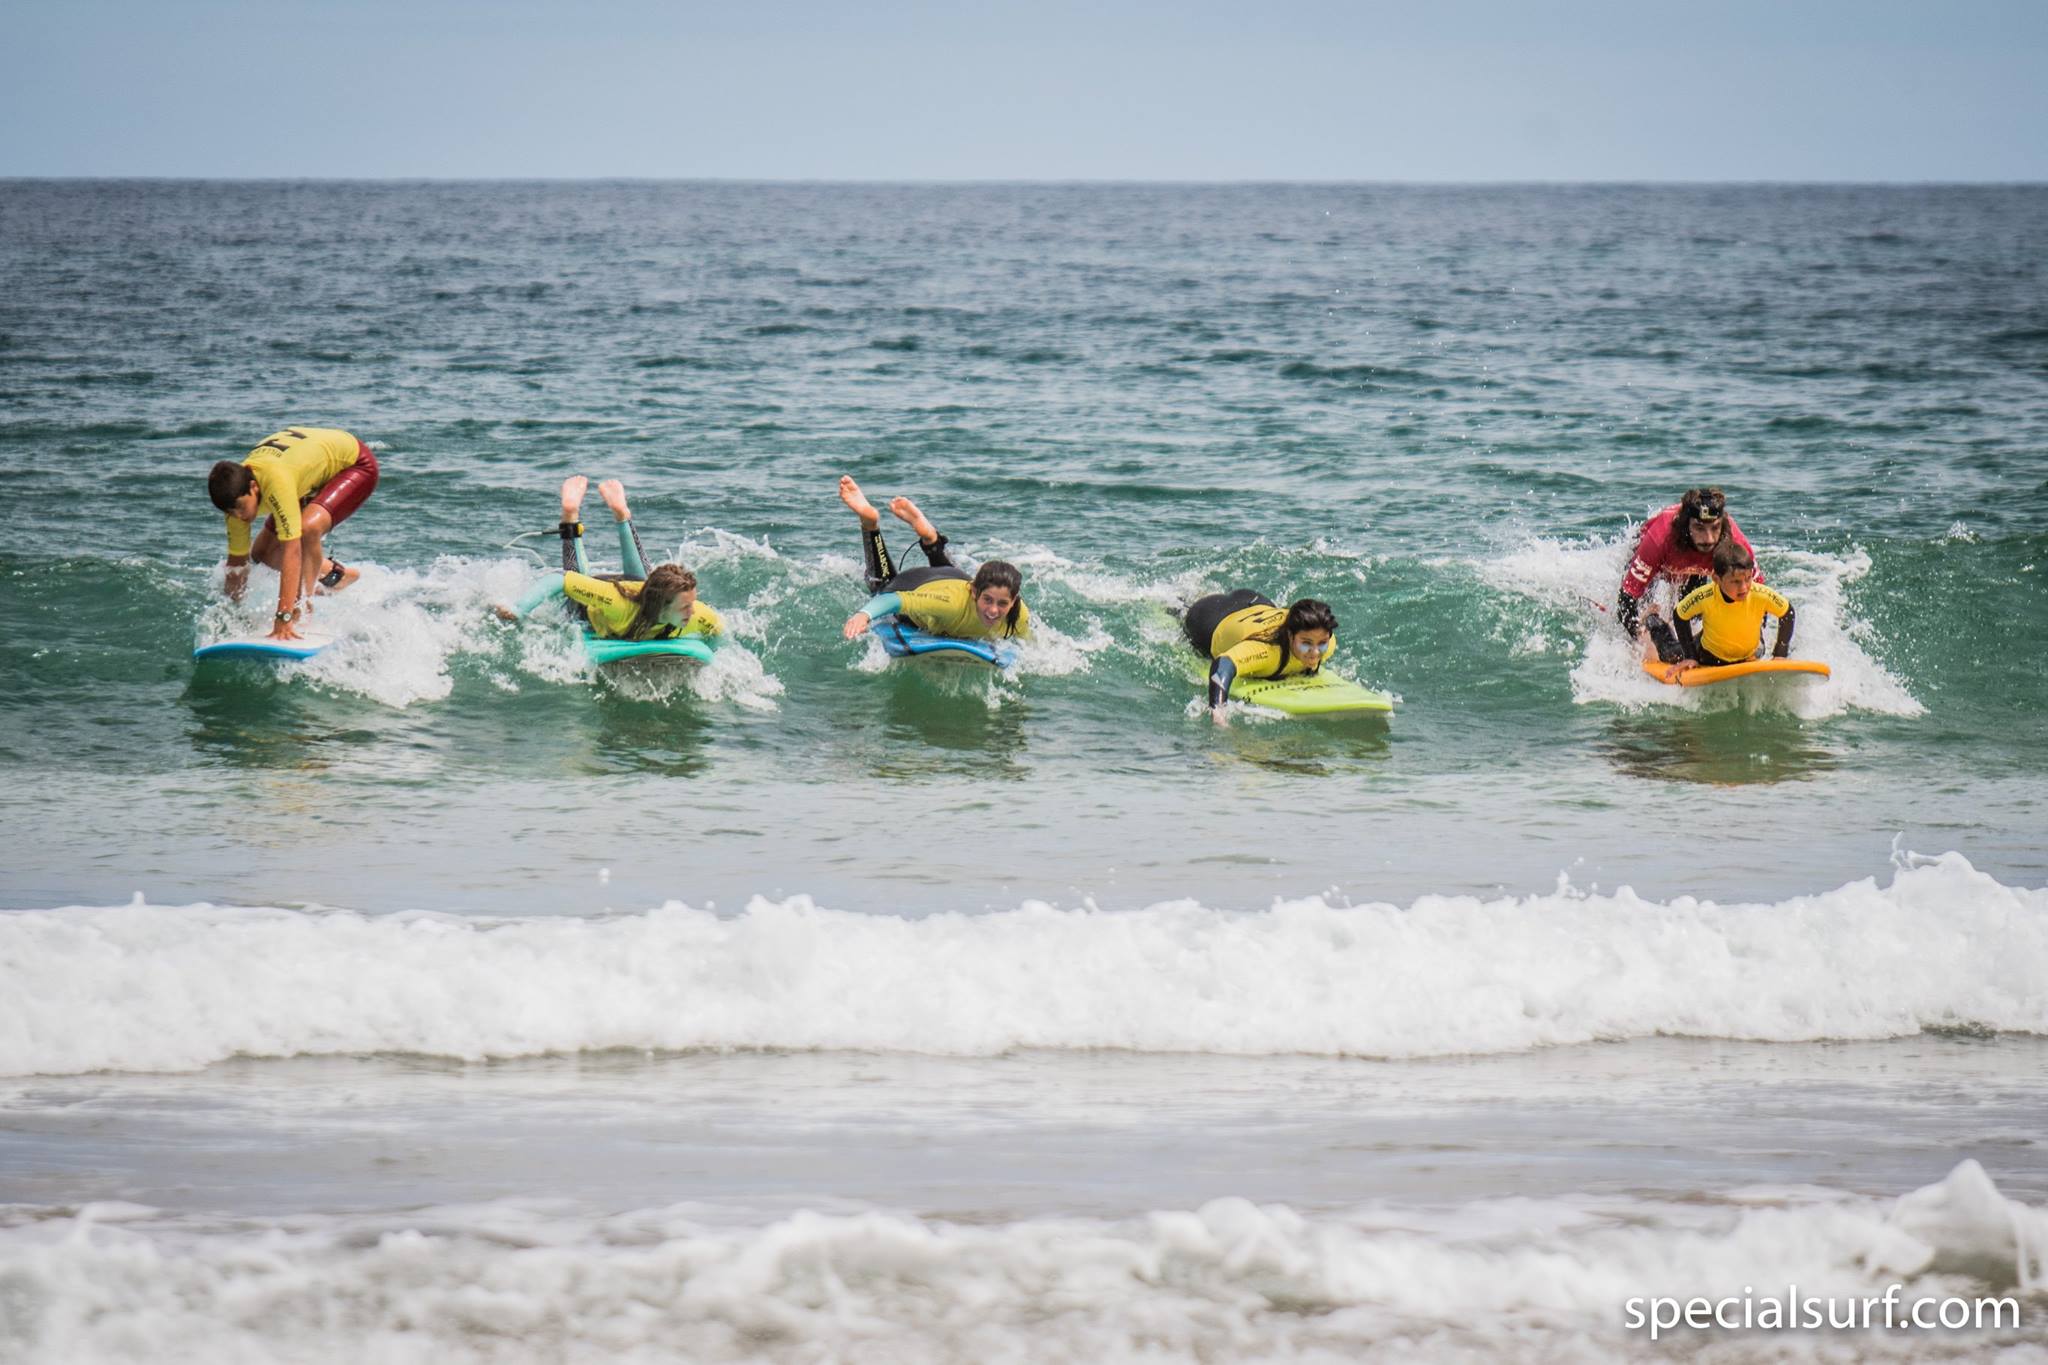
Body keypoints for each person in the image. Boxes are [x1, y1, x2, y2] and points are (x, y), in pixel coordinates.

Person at [495, 477, 722, 641]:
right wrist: (519, 609)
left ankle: (622, 515)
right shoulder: (617, 605)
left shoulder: (697, 616)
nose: (693, 612)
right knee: (577, 593)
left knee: (646, 580)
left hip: (639, 590)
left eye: (691, 604)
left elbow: (719, 632)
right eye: (685, 607)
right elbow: (561, 579)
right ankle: (570, 515)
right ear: (663, 606)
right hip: (596, 605)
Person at [207, 427, 378, 640]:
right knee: (261, 554)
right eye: (231, 512)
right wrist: (231, 614)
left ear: (253, 487)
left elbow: (292, 551)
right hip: (304, 469)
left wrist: (284, 616)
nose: (239, 517)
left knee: (308, 529)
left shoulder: (275, 481)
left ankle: (304, 611)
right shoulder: (234, 500)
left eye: (241, 508)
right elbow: (237, 563)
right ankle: (337, 577)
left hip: (354, 464)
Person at [836, 476, 1029, 643]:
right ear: (974, 592)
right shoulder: (949, 604)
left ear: (1014, 601)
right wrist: (864, 615)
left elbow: (1030, 642)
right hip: (915, 583)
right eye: (987, 600)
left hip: (954, 576)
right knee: (880, 586)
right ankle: (870, 524)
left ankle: (932, 541)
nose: (994, 610)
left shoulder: (1018, 615)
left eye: (1003, 603)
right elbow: (892, 600)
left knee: (958, 583)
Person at [1615, 487, 1762, 641]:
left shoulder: (1733, 540)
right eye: (1699, 528)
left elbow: (1759, 592)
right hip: (1654, 564)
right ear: (1686, 524)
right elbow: (1626, 600)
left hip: (1695, 572)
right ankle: (1651, 618)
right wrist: (1639, 640)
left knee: (1695, 619)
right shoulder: (1660, 539)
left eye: (1715, 527)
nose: (1709, 539)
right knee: (1641, 611)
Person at [1182, 590, 1339, 724]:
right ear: (1290, 636)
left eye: (1322, 644)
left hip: (1256, 601)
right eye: (1306, 644)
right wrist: (1218, 712)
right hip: (1211, 617)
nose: (1315, 652)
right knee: (1181, 610)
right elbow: (1223, 664)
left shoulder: (1328, 640)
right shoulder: (1267, 651)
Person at [1649, 538, 1796, 680]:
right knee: (1669, 654)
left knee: (1758, 645)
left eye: (1748, 578)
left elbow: (1787, 612)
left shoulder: (1760, 593)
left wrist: (1780, 653)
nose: (1744, 587)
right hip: (1708, 655)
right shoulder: (1706, 596)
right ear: (1717, 579)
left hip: (1751, 654)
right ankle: (1653, 620)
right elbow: (1680, 615)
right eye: (1736, 581)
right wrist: (1690, 656)